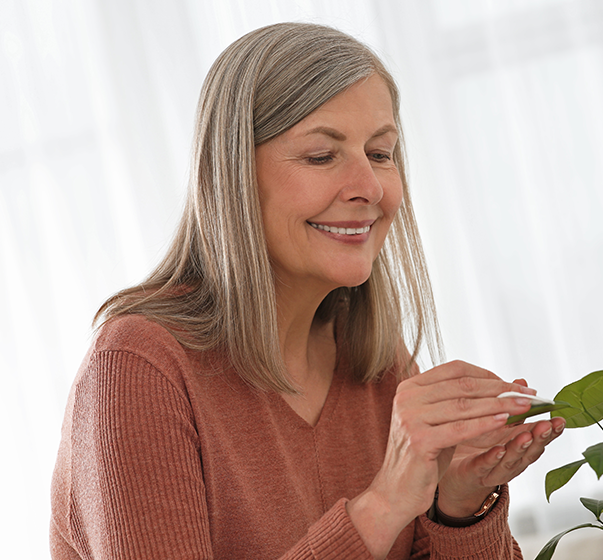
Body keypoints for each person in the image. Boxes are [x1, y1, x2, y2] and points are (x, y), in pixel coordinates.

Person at [50, 22, 566, 560]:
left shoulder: (380, 369)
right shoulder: (138, 367)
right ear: (232, 175)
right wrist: (383, 506)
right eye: (322, 156)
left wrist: (457, 506)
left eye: (381, 153)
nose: (369, 187)